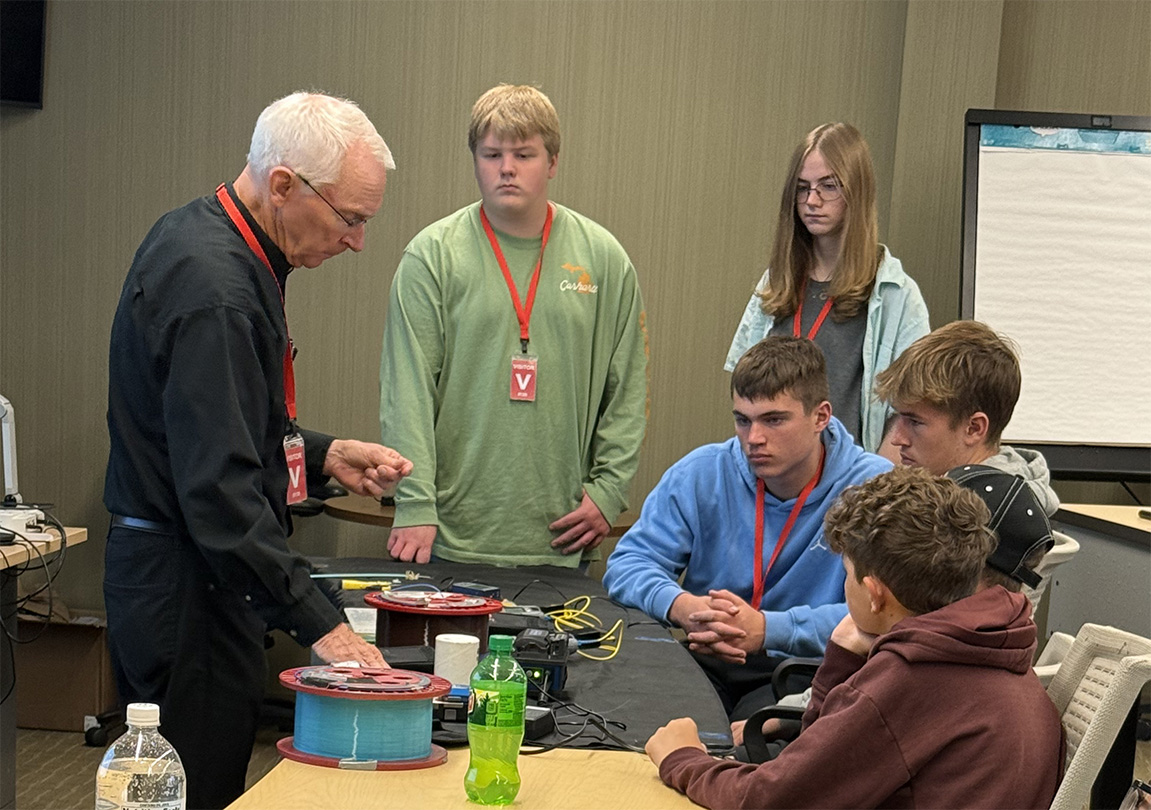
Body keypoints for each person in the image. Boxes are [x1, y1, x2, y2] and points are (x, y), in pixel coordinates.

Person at [104, 92, 412, 810]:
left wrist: (324, 453)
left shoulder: (208, 235)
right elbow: (218, 493)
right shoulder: (217, 290)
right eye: (351, 218)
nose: (358, 241)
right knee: (190, 790)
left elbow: (220, 426)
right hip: (188, 586)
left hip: (188, 572)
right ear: (282, 185)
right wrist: (321, 623)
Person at [646, 466, 1064, 809]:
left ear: (876, 593)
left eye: (847, 574)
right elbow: (815, 770)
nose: (846, 587)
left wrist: (683, 759)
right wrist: (846, 659)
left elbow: (771, 798)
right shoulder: (996, 643)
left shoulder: (911, 678)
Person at [380, 84, 647, 567]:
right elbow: (408, 390)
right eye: (492, 154)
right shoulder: (433, 256)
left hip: (562, 538)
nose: (506, 167)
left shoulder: (604, 259)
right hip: (450, 534)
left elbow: (627, 388)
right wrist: (414, 500)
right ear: (475, 160)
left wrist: (609, 489)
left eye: (524, 153)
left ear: (553, 162)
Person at [603, 335, 890, 718]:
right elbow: (628, 563)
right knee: (638, 724)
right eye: (743, 420)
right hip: (704, 657)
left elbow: (885, 612)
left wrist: (771, 629)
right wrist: (682, 606)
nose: (754, 439)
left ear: (821, 416)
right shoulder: (702, 472)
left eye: (774, 420)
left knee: (748, 750)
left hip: (804, 669)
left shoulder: (875, 488)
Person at [724, 122, 929, 453]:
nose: (812, 201)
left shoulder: (895, 294)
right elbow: (745, 394)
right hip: (777, 481)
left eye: (828, 186)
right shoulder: (776, 282)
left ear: (856, 192)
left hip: (854, 486)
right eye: (802, 188)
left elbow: (908, 416)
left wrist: (871, 492)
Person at [874, 319, 1078, 607]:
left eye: (915, 422)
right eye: (897, 418)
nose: (897, 439)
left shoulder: (976, 523)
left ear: (974, 428)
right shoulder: (970, 493)